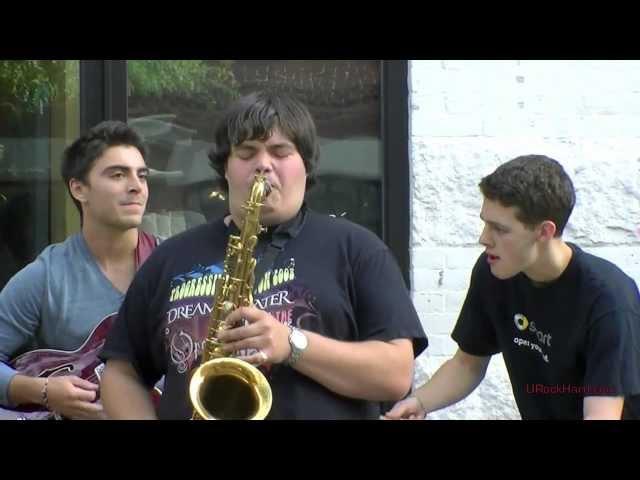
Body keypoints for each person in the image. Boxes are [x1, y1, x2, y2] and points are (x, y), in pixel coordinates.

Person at [99, 91, 428, 420]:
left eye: (280, 152)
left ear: (306, 165)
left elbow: (396, 375)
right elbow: (120, 372)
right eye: (246, 152)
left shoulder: (358, 250)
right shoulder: (170, 257)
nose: (263, 165)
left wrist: (292, 345)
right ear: (225, 168)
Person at [385, 154, 640, 420]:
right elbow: (468, 363)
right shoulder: (493, 271)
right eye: (485, 223)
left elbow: (602, 415)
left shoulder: (609, 300)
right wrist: (419, 401)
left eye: (499, 229)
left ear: (544, 232)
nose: (484, 238)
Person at [0, 120, 158, 420]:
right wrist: (43, 391)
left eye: (142, 175)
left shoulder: (172, 265)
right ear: (78, 188)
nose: (136, 186)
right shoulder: (45, 276)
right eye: (118, 174)